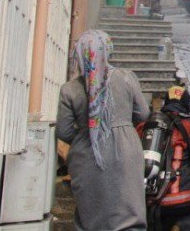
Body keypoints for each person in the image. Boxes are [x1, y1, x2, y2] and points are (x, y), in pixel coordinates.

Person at [57, 30, 150, 231]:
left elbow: (63, 132)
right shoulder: (126, 78)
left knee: (90, 213)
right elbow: (143, 114)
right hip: (126, 150)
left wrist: (87, 134)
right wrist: (121, 124)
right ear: (107, 51)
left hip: (86, 153)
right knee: (128, 208)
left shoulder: (69, 89)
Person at [141, 85, 190, 231]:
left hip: (148, 201)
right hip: (184, 201)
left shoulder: (145, 127)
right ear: (187, 105)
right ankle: (183, 226)